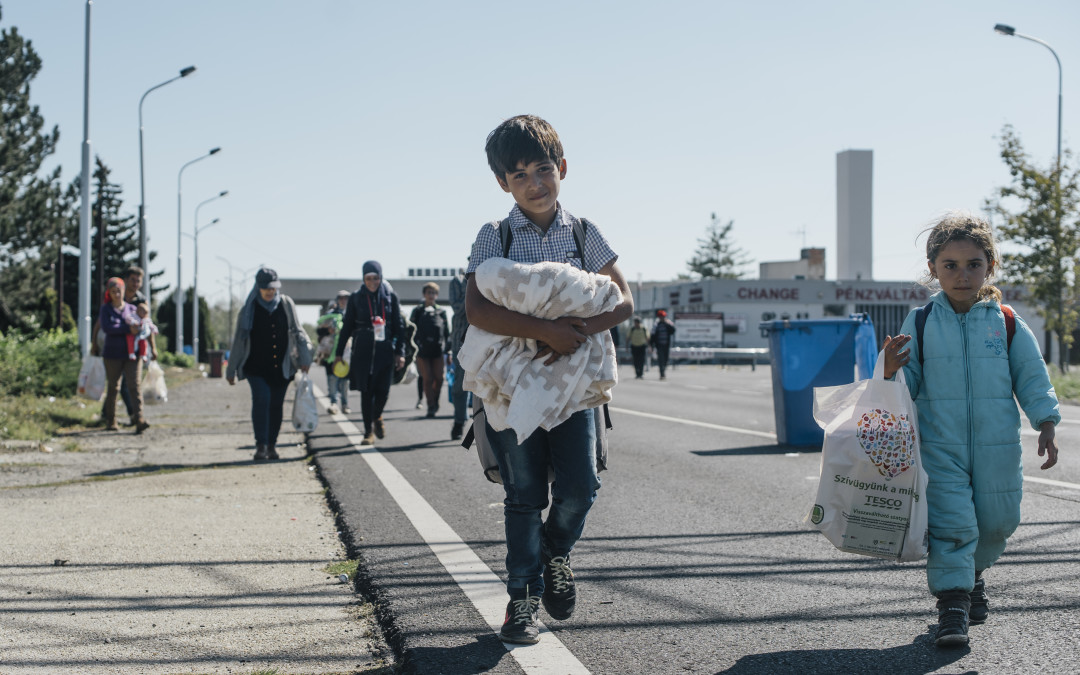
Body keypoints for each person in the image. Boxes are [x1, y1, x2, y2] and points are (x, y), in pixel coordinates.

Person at [465, 115, 634, 644]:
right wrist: (542, 329)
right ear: (502, 184)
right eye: (519, 176)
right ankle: (522, 601)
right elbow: (476, 308)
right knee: (524, 494)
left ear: (561, 168)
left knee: (581, 489)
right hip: (514, 390)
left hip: (577, 387)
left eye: (542, 170)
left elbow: (624, 301)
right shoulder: (494, 236)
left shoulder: (585, 233)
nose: (534, 184)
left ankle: (555, 550)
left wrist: (573, 332)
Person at [881, 212, 1060, 649]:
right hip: (939, 447)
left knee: (999, 523)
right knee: (952, 526)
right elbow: (906, 388)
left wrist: (1047, 423)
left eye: (973, 264)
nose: (963, 275)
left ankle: (973, 575)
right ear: (933, 269)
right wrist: (888, 372)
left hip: (999, 447)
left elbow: (1032, 378)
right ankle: (953, 606)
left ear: (990, 267)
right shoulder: (920, 323)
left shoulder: (1007, 321)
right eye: (950, 265)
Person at [225, 268, 313, 461]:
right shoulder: (249, 309)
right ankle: (261, 445)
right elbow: (239, 341)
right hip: (256, 367)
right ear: (258, 287)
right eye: (266, 288)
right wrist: (231, 369)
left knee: (275, 405)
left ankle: (272, 445)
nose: (269, 292)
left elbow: (298, 332)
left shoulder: (286, 304)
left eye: (273, 288)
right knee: (262, 399)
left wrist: (305, 359)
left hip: (282, 367)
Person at [334, 261, 406, 446]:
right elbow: (347, 327)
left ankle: (377, 416)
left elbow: (400, 327)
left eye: (376, 278)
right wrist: (339, 354)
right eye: (368, 278)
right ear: (363, 279)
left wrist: (400, 352)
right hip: (363, 352)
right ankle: (368, 432)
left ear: (381, 278)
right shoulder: (356, 298)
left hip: (385, 352)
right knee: (366, 393)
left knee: (383, 391)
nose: (372, 282)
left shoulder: (391, 297)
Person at [98, 277, 149, 434]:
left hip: (132, 353)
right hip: (112, 353)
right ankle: (111, 420)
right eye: (113, 292)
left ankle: (139, 418)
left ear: (123, 290)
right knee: (114, 387)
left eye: (119, 291)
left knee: (134, 385)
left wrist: (141, 332)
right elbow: (107, 328)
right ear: (109, 293)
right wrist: (127, 329)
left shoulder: (132, 309)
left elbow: (143, 323)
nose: (117, 294)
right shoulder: (106, 309)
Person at [410, 282, 451, 419]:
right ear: (424, 294)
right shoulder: (417, 311)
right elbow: (410, 331)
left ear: (437, 295)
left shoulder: (442, 312)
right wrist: (413, 349)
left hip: (438, 350)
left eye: (433, 293)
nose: (431, 295)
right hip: (422, 352)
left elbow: (447, 333)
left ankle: (435, 399)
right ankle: (431, 406)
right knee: (427, 379)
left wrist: (449, 351)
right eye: (429, 292)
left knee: (439, 378)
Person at [318, 291, 352, 414]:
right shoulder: (330, 315)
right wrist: (328, 330)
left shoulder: (352, 314)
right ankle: (333, 403)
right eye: (341, 298)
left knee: (344, 381)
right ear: (337, 300)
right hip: (330, 352)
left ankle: (345, 404)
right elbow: (319, 331)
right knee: (332, 379)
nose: (343, 300)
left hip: (346, 352)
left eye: (346, 298)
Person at [449, 268, 469, 440]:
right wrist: (475, 291)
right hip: (462, 342)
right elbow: (457, 308)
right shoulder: (458, 280)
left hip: (489, 338)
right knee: (460, 386)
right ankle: (459, 421)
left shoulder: (494, 275)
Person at [650, 309, 676, 380]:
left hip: (666, 345)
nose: (662, 318)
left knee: (665, 359)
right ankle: (662, 374)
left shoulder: (668, 323)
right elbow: (652, 336)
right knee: (661, 359)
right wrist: (651, 345)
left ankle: (663, 370)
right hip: (659, 345)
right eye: (661, 317)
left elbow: (673, 330)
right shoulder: (656, 325)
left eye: (663, 317)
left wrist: (667, 324)